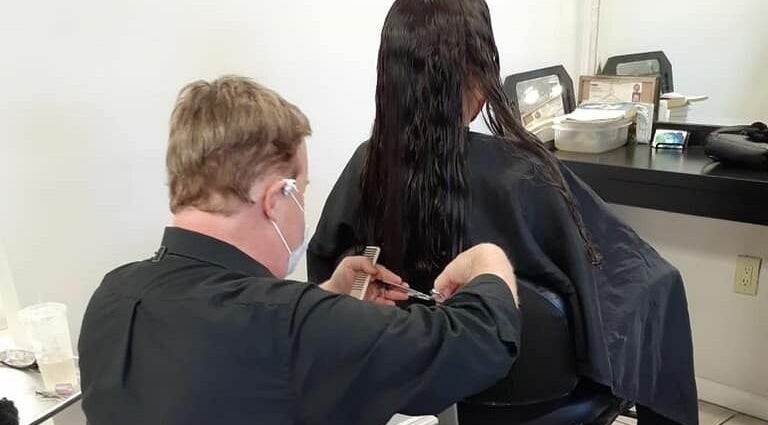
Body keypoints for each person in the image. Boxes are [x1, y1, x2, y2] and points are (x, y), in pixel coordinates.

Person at [307, 1, 698, 425]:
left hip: (412, 383)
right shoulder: (524, 171)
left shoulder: (365, 168)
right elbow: (644, 283)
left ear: (389, 80)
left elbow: (327, 281)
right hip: (534, 392)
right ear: (478, 82)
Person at [78, 76, 522, 425]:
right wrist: (488, 259)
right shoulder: (291, 325)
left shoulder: (111, 298)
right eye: (303, 192)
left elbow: (230, 366)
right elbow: (481, 342)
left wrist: (328, 297)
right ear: (277, 198)